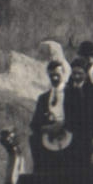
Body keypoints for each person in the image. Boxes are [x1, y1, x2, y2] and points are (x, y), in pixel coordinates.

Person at [29, 43, 74, 172]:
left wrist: (62, 125)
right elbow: (34, 123)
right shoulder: (43, 98)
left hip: (68, 132)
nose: (54, 78)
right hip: (50, 136)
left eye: (57, 74)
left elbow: (78, 117)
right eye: (51, 75)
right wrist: (45, 128)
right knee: (34, 139)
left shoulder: (72, 94)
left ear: (63, 73)